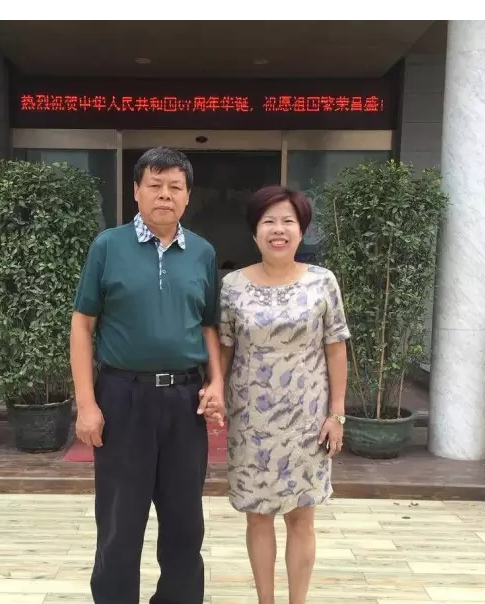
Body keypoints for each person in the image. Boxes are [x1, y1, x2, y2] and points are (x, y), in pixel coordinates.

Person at [70, 147, 225, 604]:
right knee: (120, 521)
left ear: (188, 196)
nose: (165, 195)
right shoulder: (108, 246)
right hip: (123, 397)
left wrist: (216, 382)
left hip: (184, 400)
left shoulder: (202, 252)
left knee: (184, 521)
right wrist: (86, 404)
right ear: (136, 191)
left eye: (175, 187)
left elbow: (209, 326)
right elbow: (82, 326)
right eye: (155, 185)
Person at [216, 185, 350, 604]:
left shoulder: (322, 281)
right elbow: (224, 348)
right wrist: (215, 392)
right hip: (251, 421)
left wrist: (337, 414)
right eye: (268, 221)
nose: (279, 229)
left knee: (301, 517)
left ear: (301, 230)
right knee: (258, 517)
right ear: (254, 232)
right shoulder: (233, 285)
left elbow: (336, 347)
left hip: (308, 421)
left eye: (288, 221)